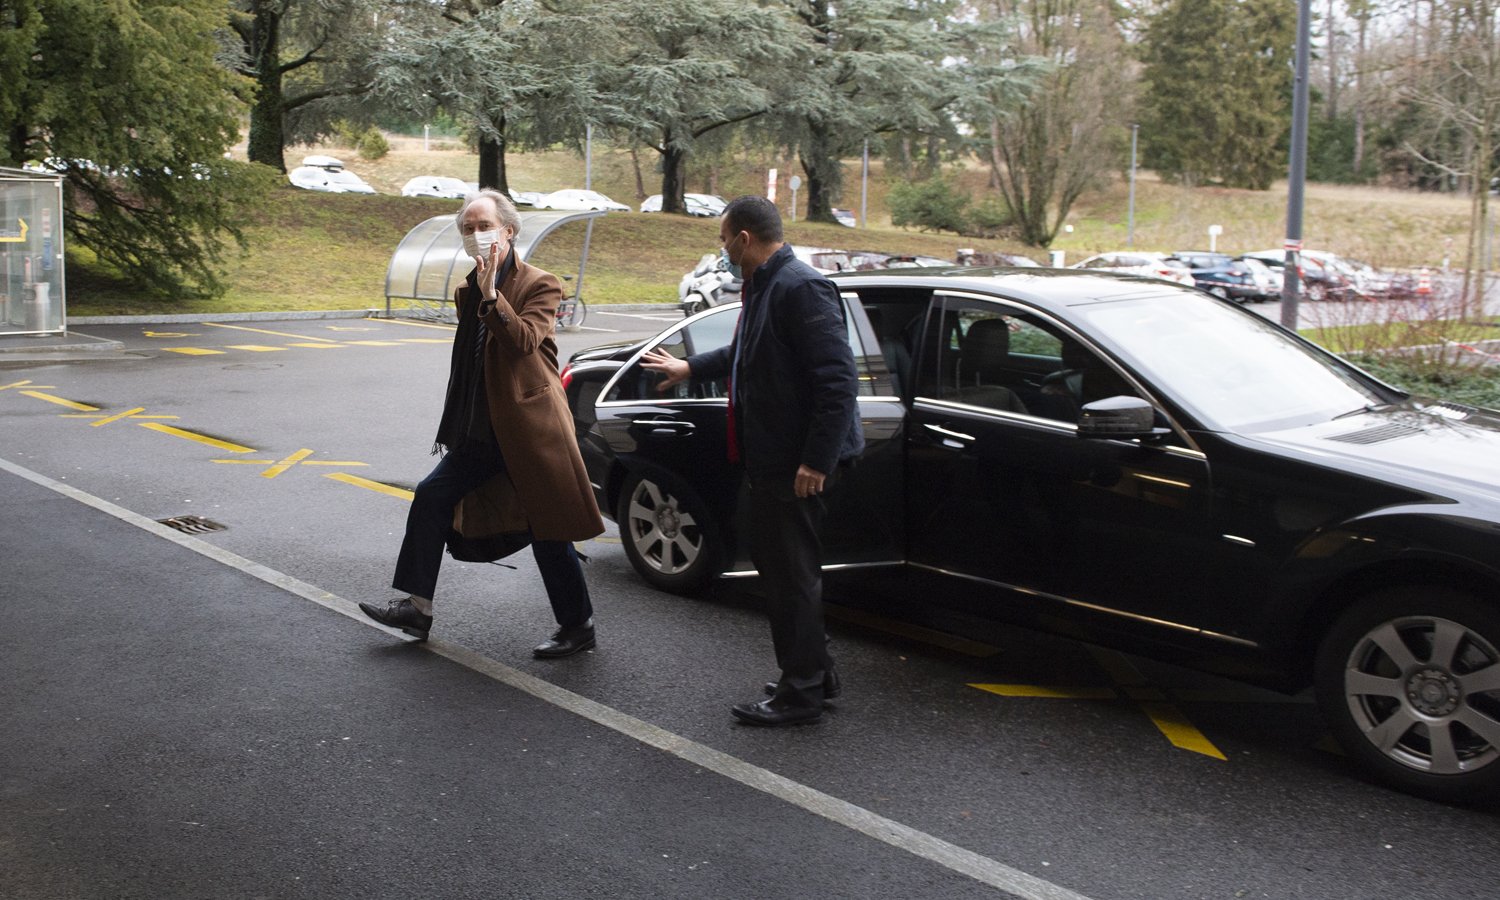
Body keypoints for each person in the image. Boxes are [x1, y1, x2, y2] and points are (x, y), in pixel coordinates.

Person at [641, 195, 864, 726]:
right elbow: (746, 355)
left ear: (744, 238)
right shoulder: (763, 286)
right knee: (785, 570)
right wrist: (688, 366)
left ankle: (801, 693)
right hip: (773, 459)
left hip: (796, 465)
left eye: (723, 239)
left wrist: (815, 461)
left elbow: (838, 381)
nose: (721, 250)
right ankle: (815, 673)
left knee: (791, 577)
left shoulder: (800, 287)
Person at [359, 189, 604, 658]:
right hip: (482, 430)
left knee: (547, 529)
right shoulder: (465, 290)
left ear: (508, 231)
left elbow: (524, 343)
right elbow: (472, 365)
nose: (476, 235)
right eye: (467, 229)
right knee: (432, 495)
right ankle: (417, 606)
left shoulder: (540, 283)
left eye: (483, 226)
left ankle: (578, 626)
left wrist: (493, 296)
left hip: (532, 429)